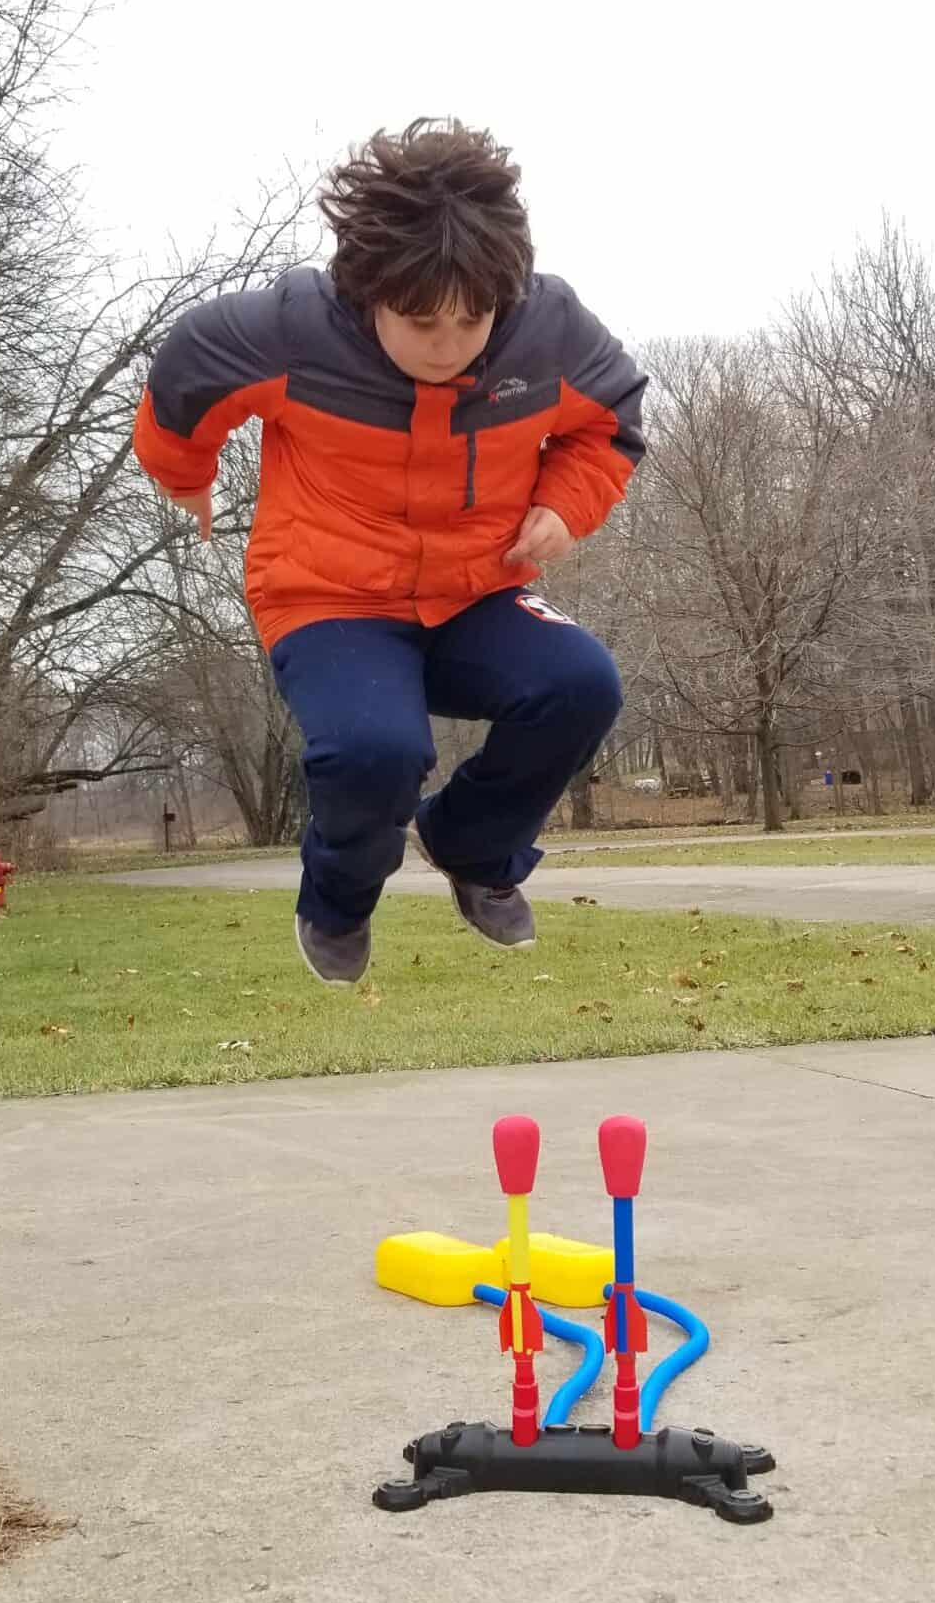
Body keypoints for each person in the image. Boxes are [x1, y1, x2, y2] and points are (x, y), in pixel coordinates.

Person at [133, 119, 647, 985]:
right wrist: (184, 475)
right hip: (329, 597)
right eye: (420, 324)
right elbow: (182, 384)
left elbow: (613, 426)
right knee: (375, 753)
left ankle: (472, 845)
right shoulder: (291, 332)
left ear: (503, 294)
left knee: (581, 686)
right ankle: (338, 900)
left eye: (471, 321)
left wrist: (566, 504)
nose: (448, 348)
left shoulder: (548, 332)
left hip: (478, 592)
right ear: (368, 292)